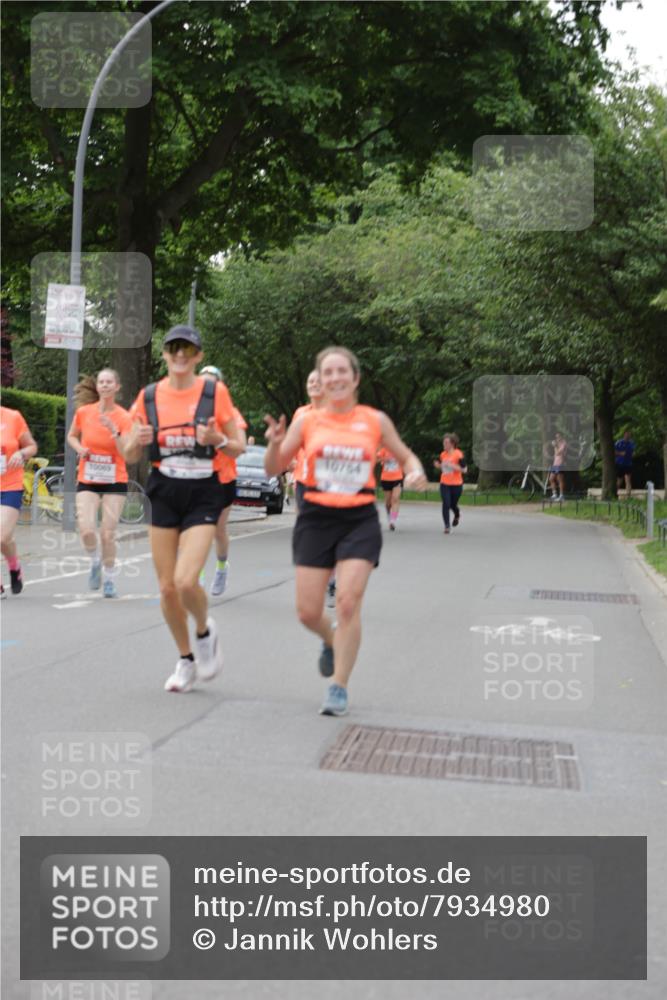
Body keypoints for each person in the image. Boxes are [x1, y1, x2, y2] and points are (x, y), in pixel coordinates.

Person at [264, 346, 426, 717]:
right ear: (320, 380)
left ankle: (338, 686)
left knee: (349, 601)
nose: (335, 378)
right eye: (328, 373)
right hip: (316, 518)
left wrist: (415, 470)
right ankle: (330, 638)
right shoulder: (308, 422)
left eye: (342, 372)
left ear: (355, 379)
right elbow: (275, 466)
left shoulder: (374, 420)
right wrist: (274, 443)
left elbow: (406, 455)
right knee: (307, 612)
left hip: (358, 520)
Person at [124, 326, 243, 693]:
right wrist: (136, 441)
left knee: (186, 580)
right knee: (166, 589)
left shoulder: (213, 392)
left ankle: (205, 633)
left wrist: (216, 439)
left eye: (187, 350)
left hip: (204, 491)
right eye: (174, 349)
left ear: (198, 357)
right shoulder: (148, 397)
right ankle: (186, 659)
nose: (180, 355)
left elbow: (237, 446)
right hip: (165, 489)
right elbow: (128, 453)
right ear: (164, 354)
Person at [66, 369, 133, 598]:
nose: (104, 385)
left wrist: (115, 432)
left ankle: (110, 579)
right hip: (89, 477)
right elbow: (72, 436)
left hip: (115, 479)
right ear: (98, 387)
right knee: (86, 530)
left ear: (117, 387)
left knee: (107, 533)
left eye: (109, 382)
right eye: (101, 382)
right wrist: (80, 449)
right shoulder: (84, 412)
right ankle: (95, 561)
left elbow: (126, 452)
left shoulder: (124, 417)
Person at [199, 365, 247, 596]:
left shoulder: (232, 413)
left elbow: (241, 446)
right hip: (196, 477)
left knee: (217, 530)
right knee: (196, 529)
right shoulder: (190, 411)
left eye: (212, 383)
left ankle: (221, 567)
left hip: (223, 479)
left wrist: (218, 441)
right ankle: (196, 576)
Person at [0, 404, 37, 597]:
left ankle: (14, 567)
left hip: (10, 486)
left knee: (2, 537)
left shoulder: (12, 417)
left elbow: (32, 446)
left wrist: (20, 453)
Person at [433, 433, 467, 534]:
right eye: (444, 442)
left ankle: (457, 514)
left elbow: (464, 470)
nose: (444, 444)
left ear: (452, 444)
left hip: (457, 484)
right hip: (444, 483)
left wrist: (452, 466)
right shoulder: (442, 454)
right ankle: (447, 526)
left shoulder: (459, 454)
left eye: (446, 442)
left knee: (453, 504)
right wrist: (438, 466)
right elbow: (443, 467)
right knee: (446, 504)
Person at [377, 446, 404, 530]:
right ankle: (389, 517)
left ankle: (393, 521)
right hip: (386, 478)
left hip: (398, 477)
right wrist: (384, 459)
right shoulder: (383, 449)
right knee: (388, 503)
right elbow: (377, 459)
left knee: (395, 499)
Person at [615, 429, 635, 498]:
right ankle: (615, 493)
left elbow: (632, 452)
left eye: (629, 434)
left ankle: (628, 495)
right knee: (619, 480)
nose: (628, 435)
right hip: (620, 463)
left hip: (628, 464)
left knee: (628, 480)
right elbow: (613, 452)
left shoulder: (631, 443)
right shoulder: (619, 442)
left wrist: (632, 454)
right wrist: (620, 453)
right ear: (624, 434)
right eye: (627, 434)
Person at [548, 431, 567, 501]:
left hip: (560, 463)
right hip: (555, 464)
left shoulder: (564, 443)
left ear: (562, 436)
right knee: (551, 479)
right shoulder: (558, 444)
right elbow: (555, 455)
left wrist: (555, 446)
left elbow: (558, 453)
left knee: (560, 480)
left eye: (559, 437)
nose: (557, 438)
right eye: (556, 437)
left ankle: (562, 496)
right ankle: (554, 495)